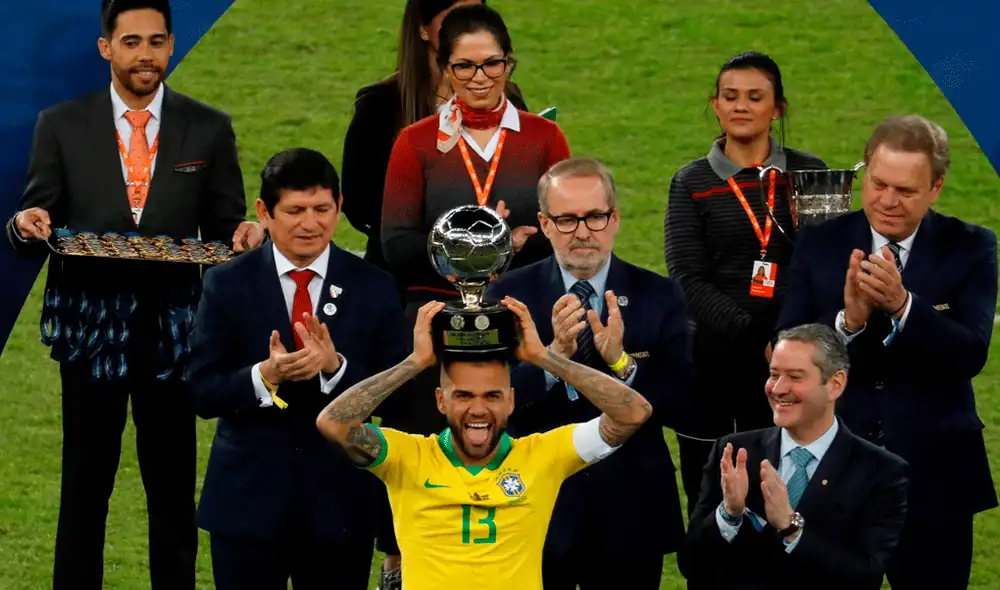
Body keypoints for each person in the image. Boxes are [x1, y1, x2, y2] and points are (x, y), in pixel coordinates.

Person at [3, 1, 263, 588]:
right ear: (106, 48)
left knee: (172, 488)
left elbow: (227, 229)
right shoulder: (60, 124)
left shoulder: (209, 127)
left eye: (155, 42)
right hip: (90, 330)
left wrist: (245, 234)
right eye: (130, 42)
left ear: (171, 46)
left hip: (174, 333)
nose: (144, 55)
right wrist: (27, 224)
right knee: (85, 486)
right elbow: (33, 214)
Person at [375, 5, 569, 584]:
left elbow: (564, 232)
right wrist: (477, 241)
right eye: (466, 67)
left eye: (493, 64)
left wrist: (516, 247)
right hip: (435, 321)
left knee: (520, 452)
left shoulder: (543, 137)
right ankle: (405, 564)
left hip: (516, 320)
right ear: (443, 68)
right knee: (424, 450)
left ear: (510, 63)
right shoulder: (415, 142)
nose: (481, 78)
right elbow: (395, 240)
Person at [775, 114, 998, 590]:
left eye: (907, 190)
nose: (888, 202)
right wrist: (846, 323)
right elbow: (784, 350)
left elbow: (970, 354)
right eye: (878, 184)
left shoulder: (972, 247)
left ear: (936, 188)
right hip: (833, 473)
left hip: (935, 478)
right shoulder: (821, 243)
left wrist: (903, 307)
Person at [316, 296, 653, 590]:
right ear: (441, 401)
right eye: (463, 396)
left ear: (510, 401)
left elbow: (632, 413)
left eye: (492, 396)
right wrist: (415, 362)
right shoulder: (407, 457)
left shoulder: (544, 454)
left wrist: (544, 358)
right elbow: (335, 423)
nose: (478, 409)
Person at [185, 148, 409, 589]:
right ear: (264, 213)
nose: (311, 224)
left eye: (322, 209)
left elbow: (399, 392)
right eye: (296, 211)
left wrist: (337, 368)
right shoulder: (226, 284)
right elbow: (201, 391)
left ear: (340, 207)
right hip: (246, 505)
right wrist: (263, 377)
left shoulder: (375, 287)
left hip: (339, 507)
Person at [486, 158, 692, 588]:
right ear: (544, 224)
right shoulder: (506, 296)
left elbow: (684, 402)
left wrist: (623, 363)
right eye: (566, 220)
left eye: (595, 217)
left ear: (614, 218)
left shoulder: (659, 294)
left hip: (631, 511)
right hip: (535, 509)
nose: (582, 232)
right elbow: (488, 403)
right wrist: (551, 357)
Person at [663, 51, 827, 518]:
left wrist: (786, 343)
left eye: (755, 97)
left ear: (778, 108)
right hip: (712, 371)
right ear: (714, 105)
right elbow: (687, 279)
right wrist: (760, 340)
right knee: (710, 502)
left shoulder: (809, 174)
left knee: (790, 498)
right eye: (730, 97)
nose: (741, 106)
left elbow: (822, 267)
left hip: (795, 367)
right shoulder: (690, 182)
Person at [680, 324, 909, 590]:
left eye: (795, 377)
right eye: (774, 374)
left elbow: (864, 577)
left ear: (835, 384)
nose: (777, 389)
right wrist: (728, 514)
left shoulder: (880, 471)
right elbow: (691, 564)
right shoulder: (735, 452)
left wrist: (791, 528)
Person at [341, 0, 527, 272]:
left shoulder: (508, 97)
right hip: (408, 276)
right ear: (423, 29)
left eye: (476, 16)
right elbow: (359, 203)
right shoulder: (381, 105)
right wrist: (447, 237)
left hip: (494, 269)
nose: (468, 29)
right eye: (455, 18)